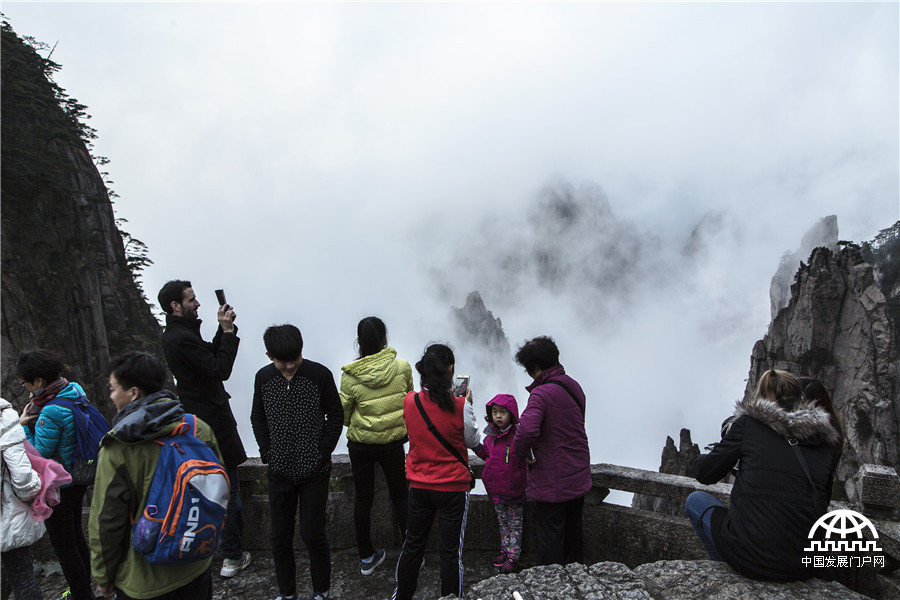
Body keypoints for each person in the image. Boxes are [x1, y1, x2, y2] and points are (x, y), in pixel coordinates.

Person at [685, 369, 841, 581]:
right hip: (802, 565)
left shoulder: (748, 425)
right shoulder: (826, 442)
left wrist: (696, 460)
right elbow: (822, 501)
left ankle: (727, 573)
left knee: (696, 500)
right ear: (800, 396)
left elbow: (706, 474)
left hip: (750, 558)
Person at [89, 351, 221, 599]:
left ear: (133, 393)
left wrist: (103, 577)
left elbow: (107, 521)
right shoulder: (197, 428)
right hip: (195, 564)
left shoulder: (117, 449)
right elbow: (216, 490)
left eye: (113, 389)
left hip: (145, 579)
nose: (111, 396)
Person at [157, 280, 250, 578]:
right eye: (191, 300)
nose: (197, 304)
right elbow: (219, 369)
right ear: (175, 305)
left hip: (200, 421)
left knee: (212, 489)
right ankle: (232, 556)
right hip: (211, 423)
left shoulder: (179, 334)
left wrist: (225, 330)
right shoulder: (180, 338)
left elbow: (208, 354)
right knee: (227, 491)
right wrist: (227, 333)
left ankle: (218, 552)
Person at [250, 324, 343, 600]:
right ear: (269, 356)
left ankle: (321, 590)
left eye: (295, 358)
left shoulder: (319, 375)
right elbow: (258, 417)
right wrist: (267, 452)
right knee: (280, 537)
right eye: (282, 361)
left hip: (315, 471)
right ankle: (287, 593)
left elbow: (335, 414)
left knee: (313, 534)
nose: (290, 366)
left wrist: (323, 451)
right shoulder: (263, 378)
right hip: (279, 471)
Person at [393, 343, 480, 600]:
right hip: (453, 488)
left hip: (419, 486)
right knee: (450, 554)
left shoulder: (410, 401)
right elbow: (472, 440)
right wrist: (467, 404)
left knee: (412, 547)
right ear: (450, 370)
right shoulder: (460, 405)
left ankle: (402, 596)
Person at [16, 349, 95, 600]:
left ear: (38, 380)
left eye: (25, 381)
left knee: (63, 546)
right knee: (76, 536)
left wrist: (22, 426)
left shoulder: (49, 411)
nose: (25, 386)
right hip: (79, 475)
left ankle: (81, 594)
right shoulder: (73, 390)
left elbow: (38, 454)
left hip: (60, 486)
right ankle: (85, 587)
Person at [339, 316, 413, 576]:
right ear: (385, 339)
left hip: (361, 445)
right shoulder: (402, 367)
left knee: (363, 498)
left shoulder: (350, 376)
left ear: (359, 342)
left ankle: (366, 557)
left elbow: (344, 414)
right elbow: (409, 400)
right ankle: (412, 554)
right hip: (393, 442)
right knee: (401, 495)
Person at [512, 336, 591, 567]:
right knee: (573, 534)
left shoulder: (541, 394)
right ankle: (576, 579)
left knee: (550, 538)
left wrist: (522, 453)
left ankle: (552, 583)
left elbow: (526, 432)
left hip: (553, 481)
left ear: (535, 366)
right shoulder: (574, 386)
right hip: (578, 475)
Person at [474, 394, 527, 574]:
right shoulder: (490, 436)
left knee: (515, 524)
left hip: (514, 489)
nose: (498, 416)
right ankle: (505, 550)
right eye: (495, 412)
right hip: (496, 489)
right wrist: (473, 444)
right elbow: (485, 455)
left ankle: (513, 556)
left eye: (503, 412)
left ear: (512, 414)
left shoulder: (518, 436)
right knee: (503, 522)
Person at [2, 397, 46, 600]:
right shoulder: (4, 419)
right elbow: (23, 482)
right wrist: (39, 482)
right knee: (22, 579)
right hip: (8, 515)